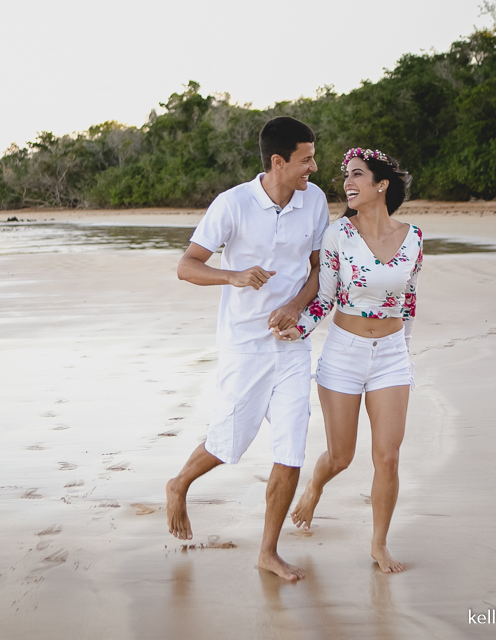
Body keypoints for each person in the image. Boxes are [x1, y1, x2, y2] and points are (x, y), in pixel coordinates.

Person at [165, 116, 330, 582]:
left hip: (292, 345)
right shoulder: (232, 205)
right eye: (306, 159)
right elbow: (186, 266)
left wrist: (297, 306)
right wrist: (233, 275)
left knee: (292, 447)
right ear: (278, 162)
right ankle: (179, 484)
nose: (313, 168)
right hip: (244, 347)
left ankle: (268, 552)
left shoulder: (314, 201)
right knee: (230, 440)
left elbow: (319, 269)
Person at [282, 148, 420, 574]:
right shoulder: (338, 234)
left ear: (381, 185)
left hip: (391, 358)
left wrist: (405, 353)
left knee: (388, 457)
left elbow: (409, 301)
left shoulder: (413, 236)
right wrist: (299, 328)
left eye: (357, 175)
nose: (348, 183)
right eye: (347, 176)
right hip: (344, 353)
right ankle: (314, 488)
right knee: (341, 456)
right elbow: (325, 297)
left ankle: (379, 544)